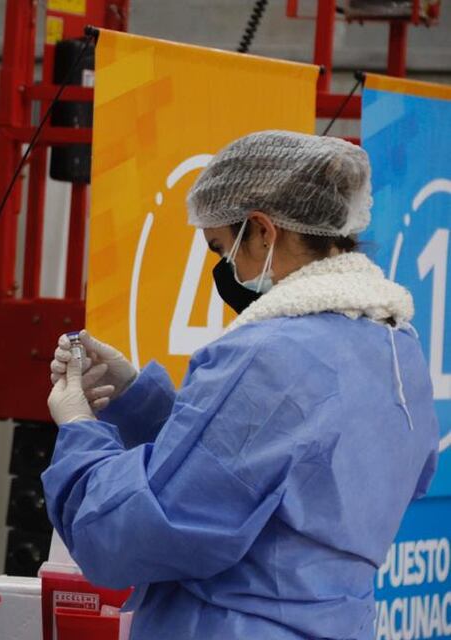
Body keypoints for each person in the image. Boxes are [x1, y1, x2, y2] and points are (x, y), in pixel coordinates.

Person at [44, 131, 439, 640]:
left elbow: (136, 533)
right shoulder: (396, 344)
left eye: (221, 248)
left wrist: (79, 430)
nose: (223, 269)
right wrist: (136, 399)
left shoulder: (266, 353)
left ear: (263, 230)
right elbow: (269, 468)